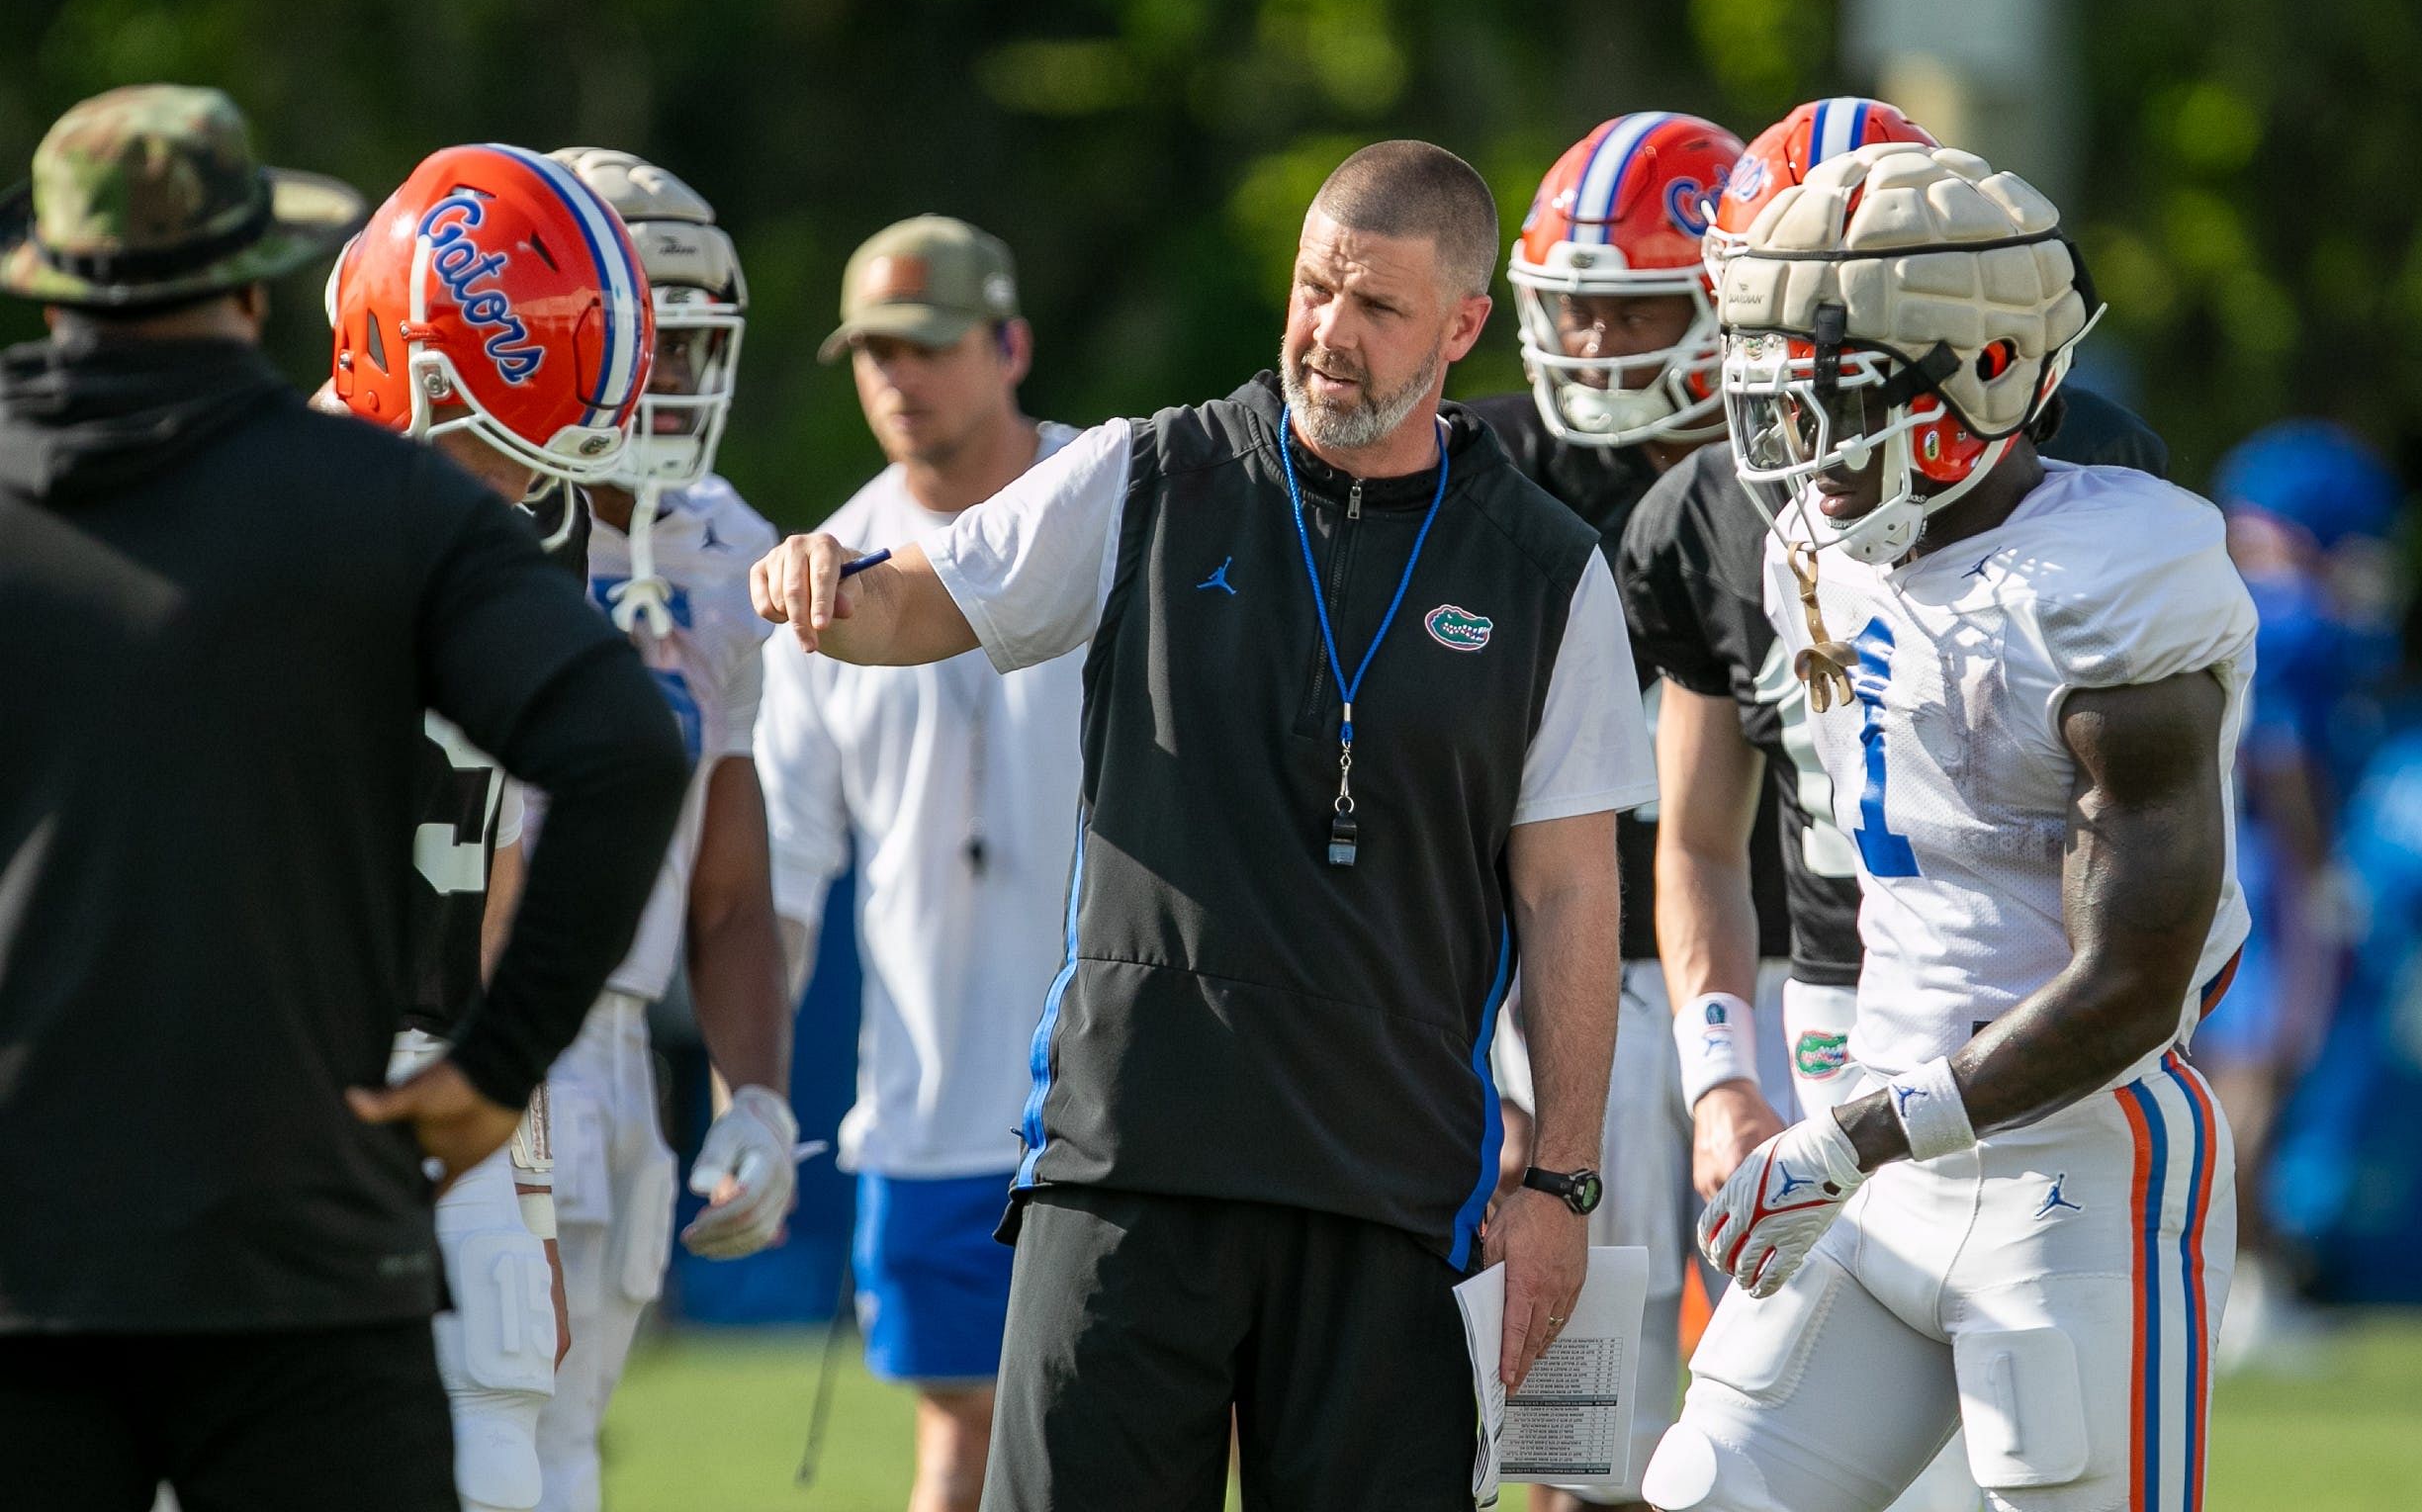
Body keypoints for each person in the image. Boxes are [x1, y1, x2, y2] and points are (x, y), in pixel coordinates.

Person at [754, 140, 1656, 1511]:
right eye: (1311, 292)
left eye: (1376, 309)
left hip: (1390, 1195)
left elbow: (1571, 895)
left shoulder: (1545, 573)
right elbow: (918, 600)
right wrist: (829, 583)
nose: (1328, 336)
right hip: (1128, 1167)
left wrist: (1563, 1189)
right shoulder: (1150, 475)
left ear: (1464, 328)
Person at [0, 87, 688, 1512]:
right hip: (326, 1196)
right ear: (252, 286)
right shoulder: (384, 510)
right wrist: (503, 1071)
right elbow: (626, 757)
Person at [1641, 141, 2255, 1512]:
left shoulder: (2117, 580)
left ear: (1983, 376)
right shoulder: (1816, 546)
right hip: (1880, 1157)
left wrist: (1849, 1134)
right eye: (1783, 402)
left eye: (1839, 399)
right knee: (1702, 1491)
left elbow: (2132, 986)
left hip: (2067, 1169)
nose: (1801, 450)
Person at [324, 139, 672, 1512]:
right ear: (394, 359)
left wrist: (517, 1171)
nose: (529, 490)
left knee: (503, 1478)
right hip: (259, 1078)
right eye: (503, 442)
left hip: (445, 1078)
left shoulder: (523, 531)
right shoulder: (257, 512)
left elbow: (496, 848)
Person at [1459, 109, 1794, 1512]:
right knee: (1574, 1425)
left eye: (1629, 303)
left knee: (1803, 1389)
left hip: (1777, 961)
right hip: (1578, 980)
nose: (1593, 341)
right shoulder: (1488, 471)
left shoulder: (1805, 458)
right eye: (1574, 304)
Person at [753, 215, 1086, 1512]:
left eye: (929, 345)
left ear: (1009, 344)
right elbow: (781, 867)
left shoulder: (1106, 509)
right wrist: (753, 1095)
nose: (899, 377)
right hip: (927, 1106)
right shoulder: (815, 579)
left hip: (1124, 1096)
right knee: (957, 1443)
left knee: (1161, 1431)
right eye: (873, 352)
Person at [526, 147, 797, 1512]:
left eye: (696, 345)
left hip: (621, 1052)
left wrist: (756, 1095)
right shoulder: (460, 512)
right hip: (449, 1034)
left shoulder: (716, 544)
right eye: (652, 343)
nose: (679, 384)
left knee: (563, 1462)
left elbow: (732, 890)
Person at [2198, 418, 2396, 1368]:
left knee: (2229, 1074)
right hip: (2268, 866)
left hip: (2190, 855)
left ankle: (2248, 1276)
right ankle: (2234, 1280)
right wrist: (2319, 877)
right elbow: (2281, 762)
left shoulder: (2202, 590)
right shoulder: (2302, 623)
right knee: (2258, 1075)